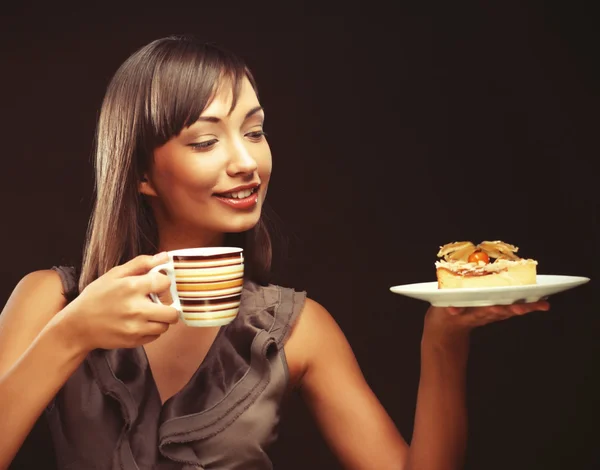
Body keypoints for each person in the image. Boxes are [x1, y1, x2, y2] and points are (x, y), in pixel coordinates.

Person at [0, 35, 550, 470]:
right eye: (205, 140)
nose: (247, 162)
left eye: (255, 131)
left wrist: (443, 344)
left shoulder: (296, 328)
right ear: (142, 172)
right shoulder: (50, 300)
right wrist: (72, 334)